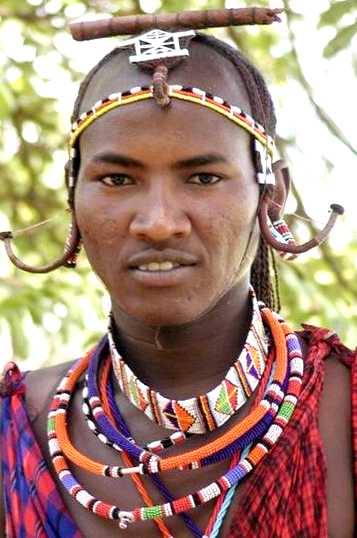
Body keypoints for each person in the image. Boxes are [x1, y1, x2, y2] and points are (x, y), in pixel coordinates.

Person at [0, 8, 355, 537]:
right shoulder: (16, 429)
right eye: (117, 179)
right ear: (72, 197)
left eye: (204, 176)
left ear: (272, 194)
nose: (158, 223)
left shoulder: (343, 412)